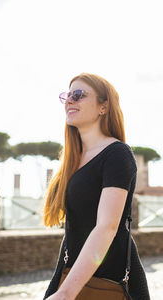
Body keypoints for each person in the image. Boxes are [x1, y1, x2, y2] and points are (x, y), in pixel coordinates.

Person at [42, 72, 151, 300]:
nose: (70, 100)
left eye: (79, 95)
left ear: (103, 107)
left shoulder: (117, 154)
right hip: (71, 272)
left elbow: (107, 227)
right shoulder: (71, 160)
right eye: (67, 96)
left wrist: (65, 293)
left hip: (111, 280)